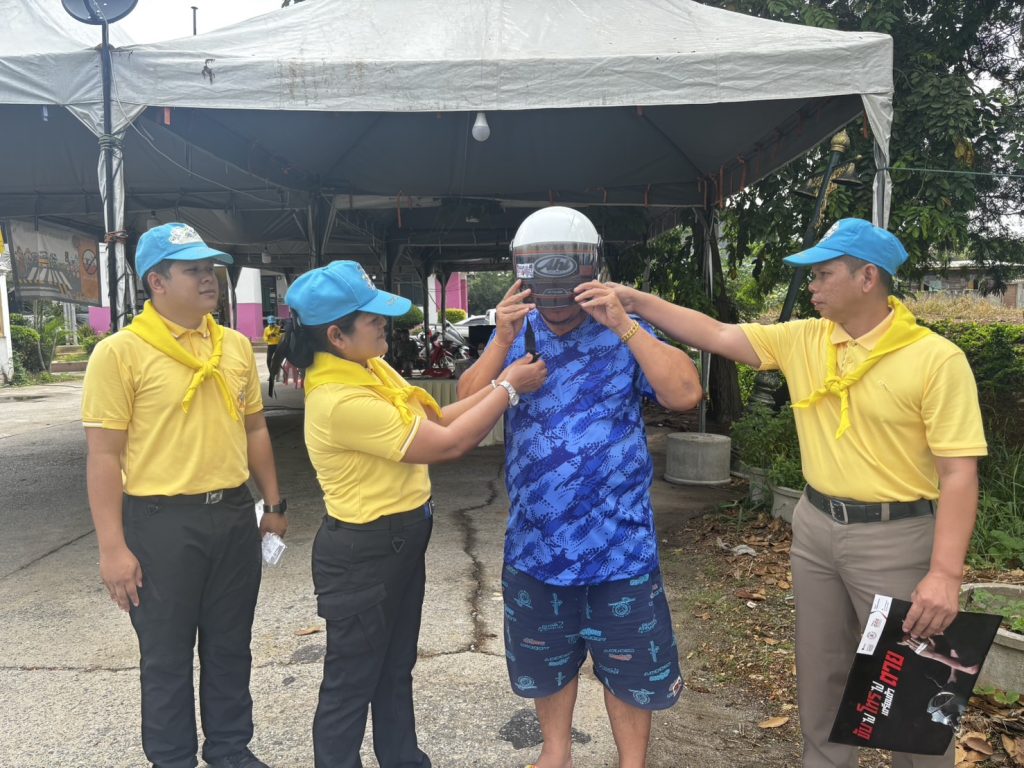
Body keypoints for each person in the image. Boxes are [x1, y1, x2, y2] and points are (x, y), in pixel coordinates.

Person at [594, 218, 988, 768]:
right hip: (816, 528)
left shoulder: (935, 359)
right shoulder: (807, 338)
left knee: (911, 696)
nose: (812, 286)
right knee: (821, 673)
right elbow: (716, 334)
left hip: (897, 537)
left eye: (824, 274)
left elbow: (958, 474)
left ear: (868, 278)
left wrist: (945, 574)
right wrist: (634, 302)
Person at [458, 207, 702, 768]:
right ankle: (556, 754)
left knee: (630, 669)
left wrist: (625, 323)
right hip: (537, 548)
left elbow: (685, 393)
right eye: (544, 291)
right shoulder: (516, 335)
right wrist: (500, 341)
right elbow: (465, 410)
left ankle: (631, 764)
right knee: (547, 664)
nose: (557, 306)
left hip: (621, 549)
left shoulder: (624, 332)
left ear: (591, 273)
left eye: (566, 290)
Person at [279, 260, 547, 768]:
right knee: (351, 682)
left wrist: (502, 368)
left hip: (399, 542)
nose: (385, 325)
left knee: (393, 667)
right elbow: (446, 445)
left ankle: (403, 759)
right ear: (336, 335)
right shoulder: (340, 399)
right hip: (364, 553)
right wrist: (508, 389)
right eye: (372, 319)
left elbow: (437, 419)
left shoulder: (370, 368)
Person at [82, 222, 288, 768]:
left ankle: (230, 750)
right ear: (157, 282)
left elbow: (254, 429)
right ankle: (172, 758)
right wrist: (112, 548)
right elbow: (103, 456)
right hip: (161, 524)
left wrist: (273, 504)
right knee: (166, 655)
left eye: (210, 268)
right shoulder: (120, 353)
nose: (208, 278)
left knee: (230, 645)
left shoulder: (234, 347)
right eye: (192, 270)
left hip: (233, 515)